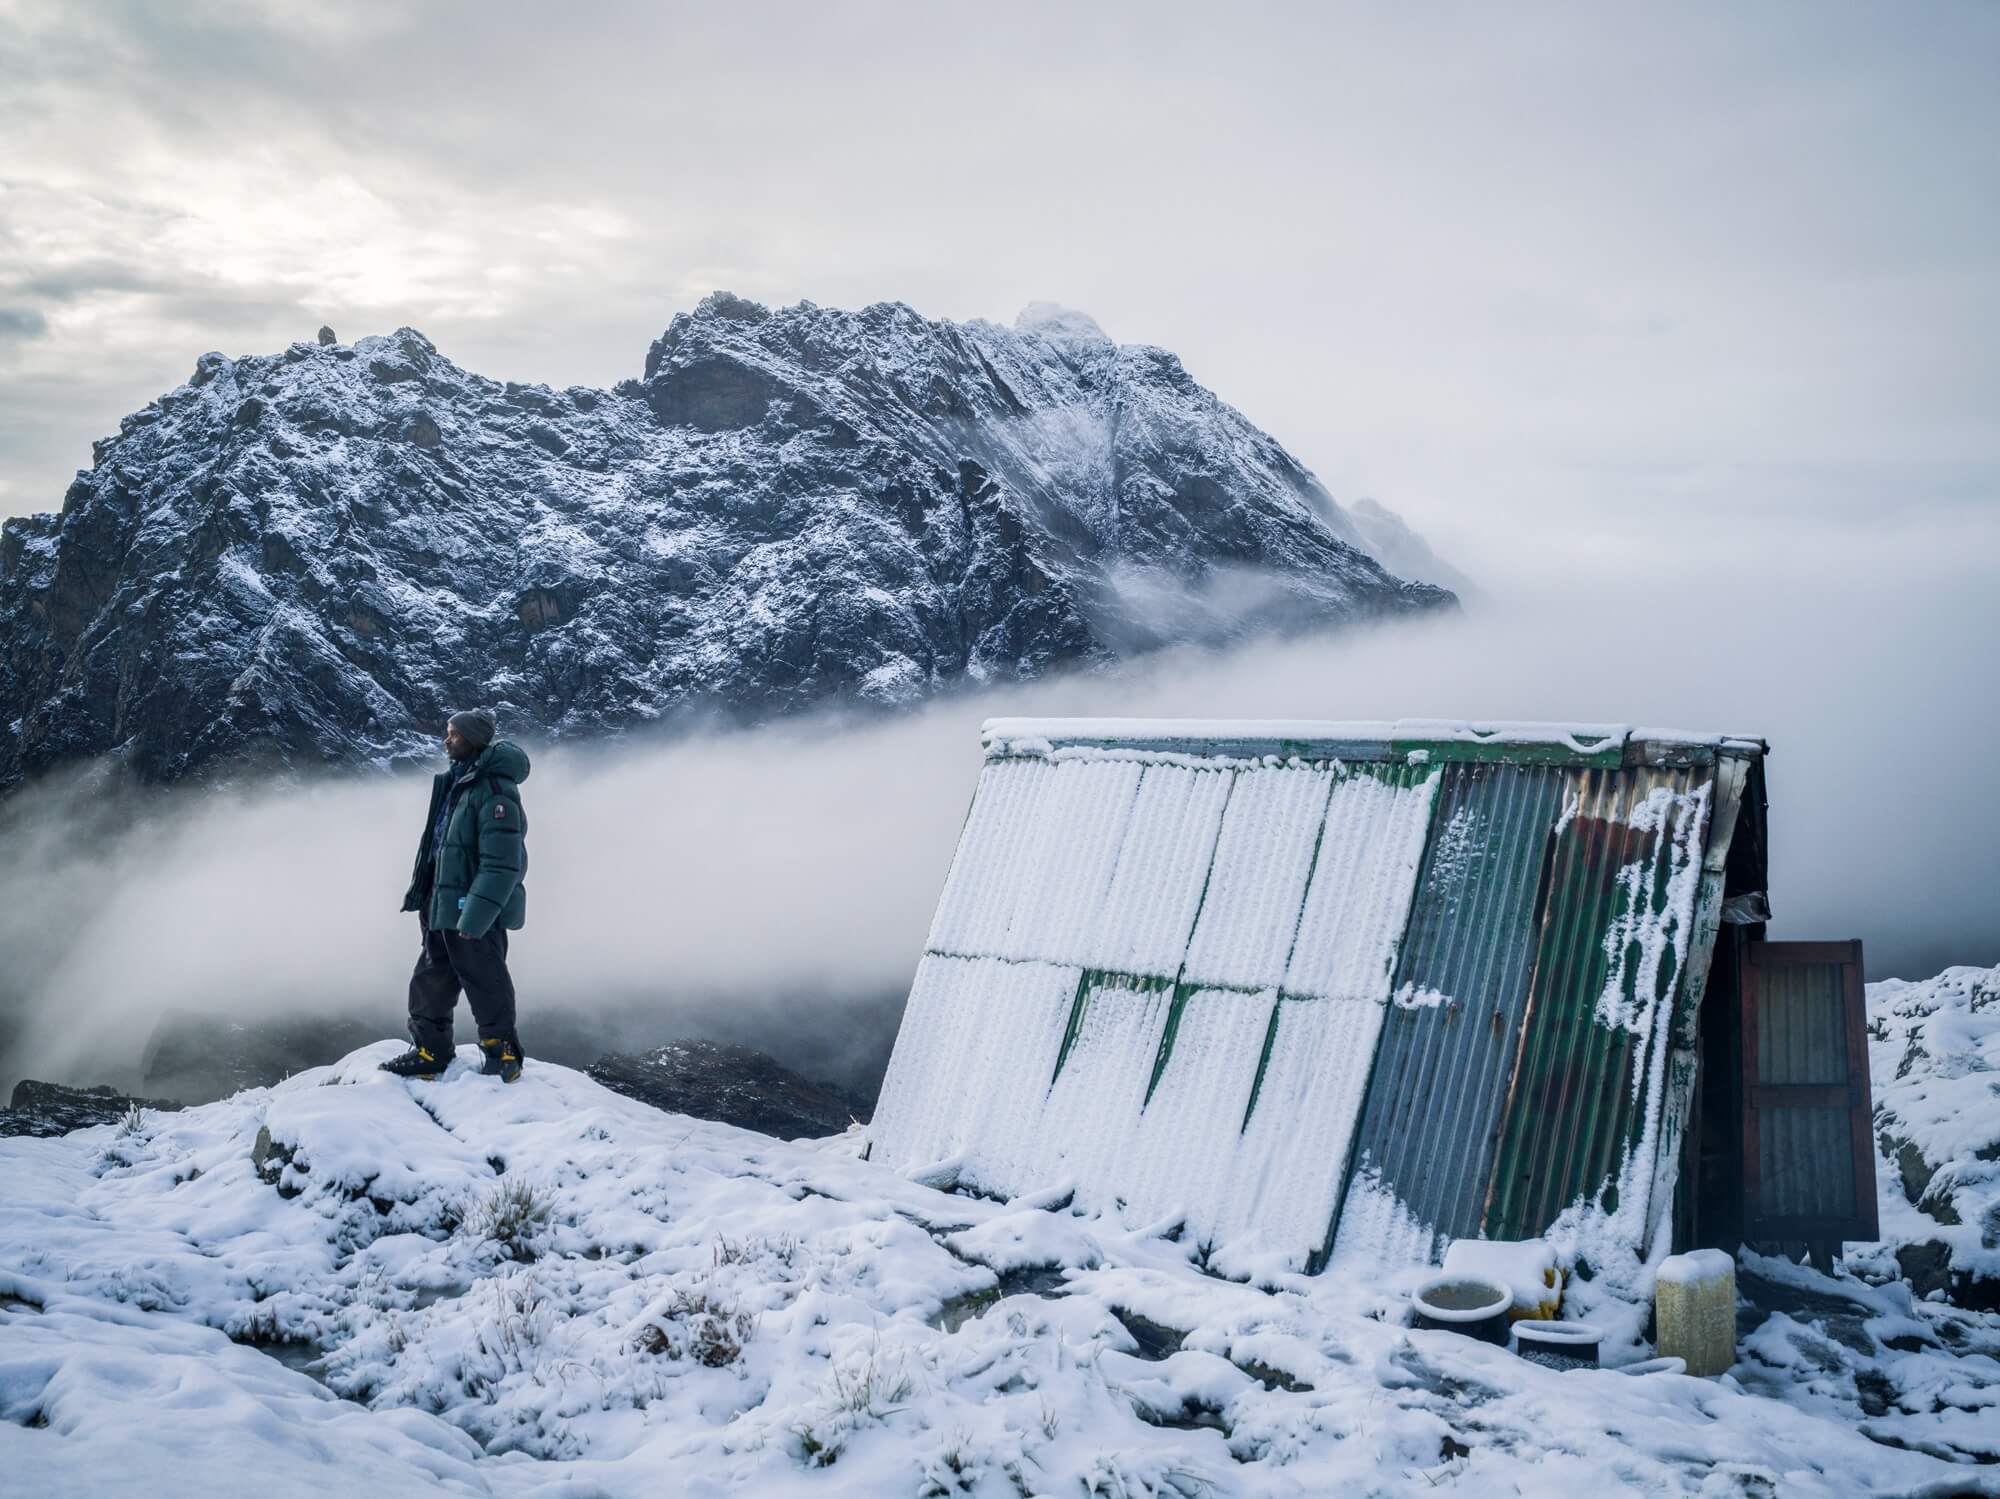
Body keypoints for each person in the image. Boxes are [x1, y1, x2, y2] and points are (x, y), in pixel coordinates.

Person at [379, 709, 531, 1082]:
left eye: (454, 735)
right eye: (447, 733)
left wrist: (475, 916)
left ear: (474, 740)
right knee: (431, 976)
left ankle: (503, 1054)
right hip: (441, 902)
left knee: (485, 977)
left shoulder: (495, 791)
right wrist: (425, 894)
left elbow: (502, 864)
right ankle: (430, 1051)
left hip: (472, 909)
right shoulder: (459, 782)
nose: (446, 740)